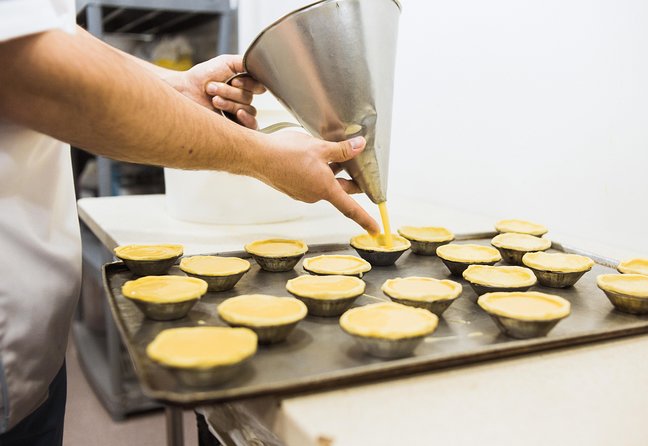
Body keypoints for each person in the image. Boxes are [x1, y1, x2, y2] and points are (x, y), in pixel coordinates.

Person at [0, 1, 379, 444]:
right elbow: (30, 71)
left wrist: (173, 85)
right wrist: (263, 158)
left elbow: (50, 33)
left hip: (28, 338)